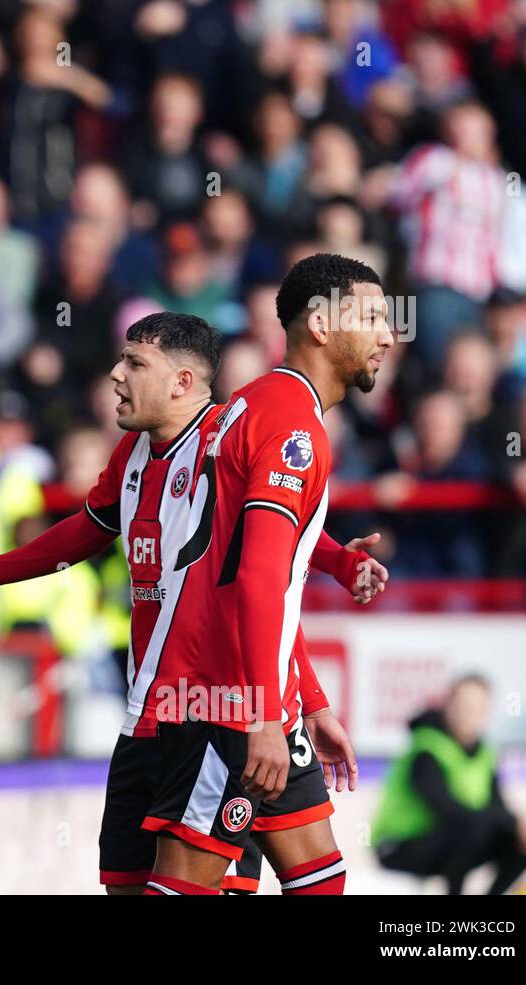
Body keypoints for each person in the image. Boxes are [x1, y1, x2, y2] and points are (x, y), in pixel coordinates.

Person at [0, 310, 387, 894]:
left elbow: (266, 571)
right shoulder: (135, 453)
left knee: (302, 881)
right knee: (137, 885)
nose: (115, 375)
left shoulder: (231, 437)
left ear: (182, 382)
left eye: (135, 363)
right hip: (155, 712)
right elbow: (87, 529)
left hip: (222, 707)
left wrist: (335, 573)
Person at [136, 253, 393, 895]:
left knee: (320, 882)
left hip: (256, 695)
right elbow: (253, 578)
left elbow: (260, 563)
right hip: (227, 700)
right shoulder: (290, 426)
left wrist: (305, 699)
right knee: (187, 889)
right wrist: (261, 714)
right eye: (372, 318)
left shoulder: (263, 403)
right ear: (321, 326)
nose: (389, 335)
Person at [375, 675, 526, 894]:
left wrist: (519, 825)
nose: (468, 715)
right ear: (448, 705)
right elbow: (446, 808)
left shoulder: (484, 753)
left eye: (476, 709)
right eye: (463, 706)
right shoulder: (425, 749)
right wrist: (508, 822)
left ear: (487, 711)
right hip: (399, 846)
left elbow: (496, 805)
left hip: (451, 843)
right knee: (469, 828)